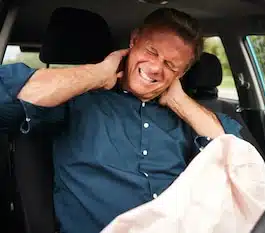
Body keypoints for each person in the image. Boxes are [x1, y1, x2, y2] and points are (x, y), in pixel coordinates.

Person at [0, 8, 243, 233]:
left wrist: (179, 100)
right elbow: (5, 99)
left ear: (181, 74)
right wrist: (97, 74)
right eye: (151, 51)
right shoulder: (76, 100)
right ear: (133, 40)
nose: (156, 68)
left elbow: (241, 159)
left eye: (170, 65)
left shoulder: (189, 117)